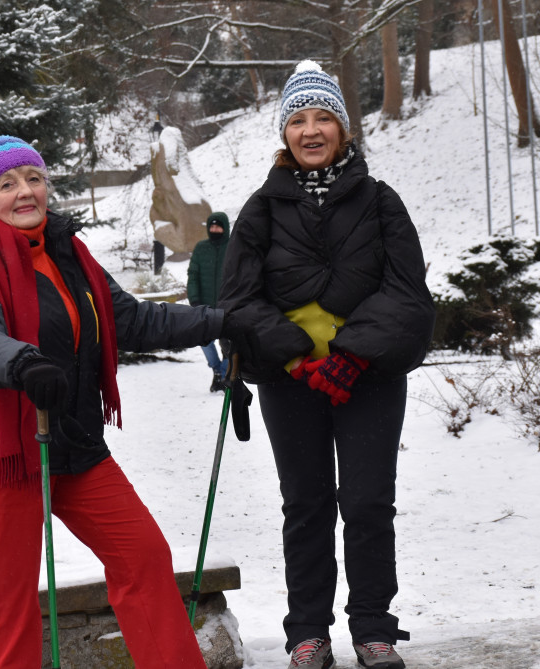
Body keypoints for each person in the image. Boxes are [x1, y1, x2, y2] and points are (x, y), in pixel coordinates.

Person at [0, 131, 226, 669]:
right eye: (7, 183)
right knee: (11, 592)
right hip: (5, 452)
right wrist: (21, 362)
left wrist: (222, 321)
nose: (25, 192)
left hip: (75, 441)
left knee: (143, 558)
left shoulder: (70, 255)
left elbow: (131, 318)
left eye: (34, 178)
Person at [218, 61, 435, 669]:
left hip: (368, 380)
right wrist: (293, 352)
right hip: (291, 384)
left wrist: (348, 356)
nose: (310, 131)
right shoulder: (260, 208)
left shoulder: (380, 200)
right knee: (306, 505)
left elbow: (407, 295)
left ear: (341, 126)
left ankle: (373, 627)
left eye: (322, 118)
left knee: (368, 502)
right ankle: (307, 633)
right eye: (297, 120)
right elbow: (237, 300)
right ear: (284, 132)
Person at [187, 211, 232, 392]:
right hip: (204, 305)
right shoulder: (200, 248)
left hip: (228, 305)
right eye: (212, 226)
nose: (215, 230)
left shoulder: (233, 246)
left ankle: (223, 373)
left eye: (218, 226)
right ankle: (218, 370)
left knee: (229, 344)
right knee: (204, 340)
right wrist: (195, 299)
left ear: (225, 228)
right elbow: (193, 275)